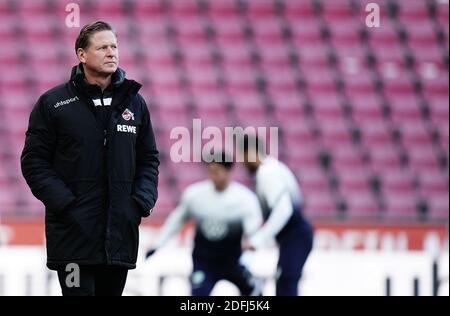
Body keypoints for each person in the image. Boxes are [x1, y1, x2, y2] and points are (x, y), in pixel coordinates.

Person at [21, 21, 159, 296]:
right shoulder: (53, 103)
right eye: (102, 47)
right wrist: (67, 206)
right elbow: (34, 161)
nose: (111, 53)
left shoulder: (135, 103)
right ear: (82, 55)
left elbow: (149, 159)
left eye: (114, 47)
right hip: (72, 240)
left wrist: (139, 203)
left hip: (119, 237)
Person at [146, 152, 263, 296]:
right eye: (210, 171)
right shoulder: (195, 196)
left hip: (233, 261)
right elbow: (175, 222)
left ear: (228, 171)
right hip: (204, 261)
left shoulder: (245, 200)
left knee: (255, 293)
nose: (214, 176)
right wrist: (157, 245)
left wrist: (248, 257)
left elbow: (253, 234)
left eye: (217, 172)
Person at [240, 135, 313, 296]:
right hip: (293, 236)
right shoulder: (272, 168)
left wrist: (258, 240)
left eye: (244, 155)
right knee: (285, 282)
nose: (243, 162)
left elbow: (283, 211)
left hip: (295, 236)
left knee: (286, 284)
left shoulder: (267, 173)